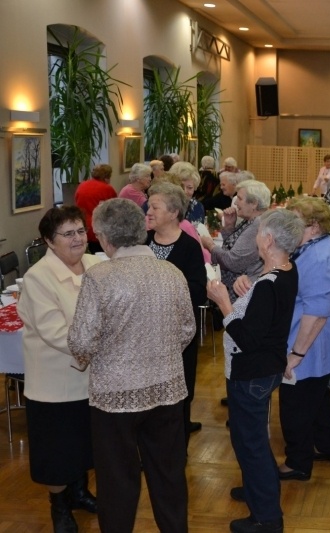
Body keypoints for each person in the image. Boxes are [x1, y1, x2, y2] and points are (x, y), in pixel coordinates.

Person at [67, 198, 195, 532]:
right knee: (169, 475)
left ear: (106, 238)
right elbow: (187, 329)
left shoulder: (100, 277)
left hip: (115, 396)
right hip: (167, 389)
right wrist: (160, 353)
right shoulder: (171, 273)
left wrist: (97, 358)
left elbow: (82, 342)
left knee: (117, 481)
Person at [206, 209, 304, 533]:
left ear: (269, 240)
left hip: (251, 373)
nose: (256, 237)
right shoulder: (286, 271)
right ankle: (255, 488)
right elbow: (266, 316)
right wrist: (247, 294)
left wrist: (224, 302)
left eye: (260, 232)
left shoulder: (268, 284)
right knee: (251, 439)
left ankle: (266, 517)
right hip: (267, 368)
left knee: (251, 444)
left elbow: (247, 339)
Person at [16, 207, 102, 533]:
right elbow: (55, 333)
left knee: (84, 444)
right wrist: (103, 345)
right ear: (49, 241)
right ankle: (60, 506)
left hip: (92, 379)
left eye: (80, 230)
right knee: (57, 451)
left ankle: (79, 493)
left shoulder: (96, 264)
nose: (78, 238)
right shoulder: (38, 278)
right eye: (68, 234)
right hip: (55, 383)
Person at [276, 197, 330, 481]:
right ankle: (329, 447)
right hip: (317, 340)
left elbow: (317, 314)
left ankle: (298, 462)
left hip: (311, 342)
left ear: (315, 227)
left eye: (295, 223)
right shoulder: (317, 246)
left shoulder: (320, 257)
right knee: (316, 398)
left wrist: (296, 354)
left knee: (295, 403)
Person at [145, 182, 207, 447]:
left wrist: (161, 290)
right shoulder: (143, 242)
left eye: (154, 207)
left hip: (177, 335)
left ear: (173, 213)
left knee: (179, 392)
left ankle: (177, 451)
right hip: (145, 335)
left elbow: (198, 290)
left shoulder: (189, 247)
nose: (148, 211)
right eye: (149, 206)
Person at [201, 180, 270, 300]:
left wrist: (210, 245)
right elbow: (232, 247)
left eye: (240, 198)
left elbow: (232, 262)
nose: (236, 203)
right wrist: (229, 226)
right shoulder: (251, 220)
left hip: (242, 294)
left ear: (254, 203)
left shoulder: (257, 225)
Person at [74, 163, 117, 254]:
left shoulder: (82, 185)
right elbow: (114, 210)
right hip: (99, 227)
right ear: (107, 176)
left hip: (83, 225)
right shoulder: (107, 189)